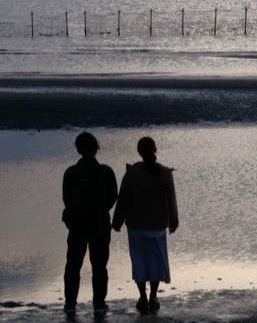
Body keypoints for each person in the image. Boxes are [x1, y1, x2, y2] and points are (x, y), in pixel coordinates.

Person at [112, 137, 179, 315]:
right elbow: (171, 200)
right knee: (156, 260)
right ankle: (154, 296)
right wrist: (173, 221)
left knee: (140, 261)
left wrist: (116, 221)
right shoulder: (165, 173)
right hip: (158, 226)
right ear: (155, 149)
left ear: (139, 152)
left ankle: (142, 296)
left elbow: (123, 199)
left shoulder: (132, 173)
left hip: (136, 225)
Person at [62, 132, 118, 317]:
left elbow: (67, 199)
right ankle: (99, 305)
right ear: (96, 148)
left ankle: (70, 304)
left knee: (73, 266)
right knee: (99, 266)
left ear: (78, 149)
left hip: (77, 225)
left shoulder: (70, 172)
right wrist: (101, 210)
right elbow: (112, 198)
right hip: (100, 224)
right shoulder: (107, 172)